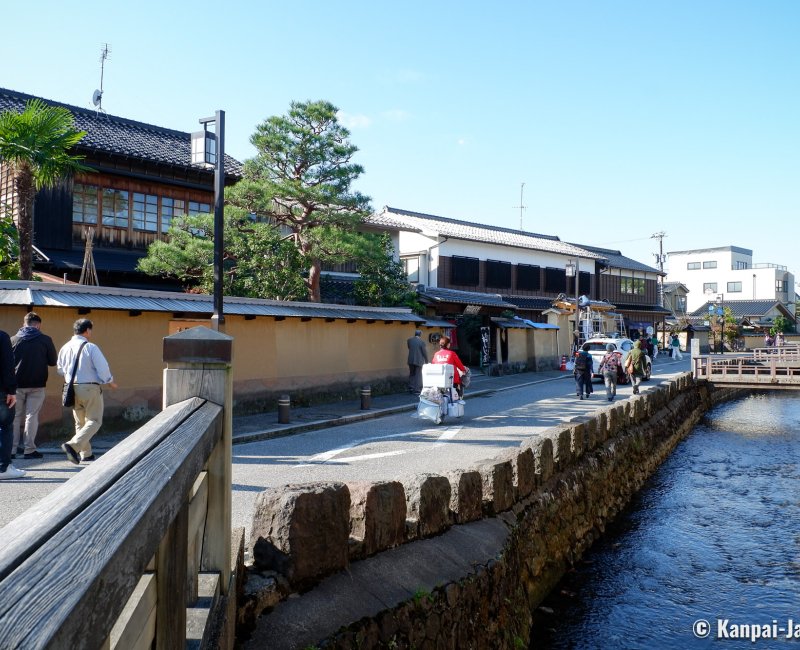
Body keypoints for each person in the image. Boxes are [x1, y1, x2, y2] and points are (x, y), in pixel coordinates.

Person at [57, 319, 117, 464]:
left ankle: (86, 454)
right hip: (90, 387)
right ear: (88, 330)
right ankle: (72, 445)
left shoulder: (65, 348)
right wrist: (109, 381)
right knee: (94, 420)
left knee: (80, 422)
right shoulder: (90, 347)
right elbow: (103, 368)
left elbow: (60, 370)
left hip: (71, 388)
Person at [11, 312, 57, 459]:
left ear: (24, 323)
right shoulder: (45, 339)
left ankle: (11, 450)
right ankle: (29, 450)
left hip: (16, 385)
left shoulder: (13, 339)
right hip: (37, 384)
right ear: (38, 325)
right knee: (31, 416)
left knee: (15, 417)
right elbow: (53, 361)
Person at [0, 328, 22, 480]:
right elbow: (8, 364)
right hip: (1, 390)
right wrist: (11, 390)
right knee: (5, 427)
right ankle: (4, 467)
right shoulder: (2, 337)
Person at [406, 330, 428, 394]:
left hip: (410, 359)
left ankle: (411, 387)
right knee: (418, 375)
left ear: (415, 334)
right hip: (418, 360)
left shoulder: (409, 340)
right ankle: (417, 389)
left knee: (412, 373)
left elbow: (409, 347)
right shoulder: (421, 342)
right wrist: (426, 360)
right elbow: (424, 352)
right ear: (420, 334)